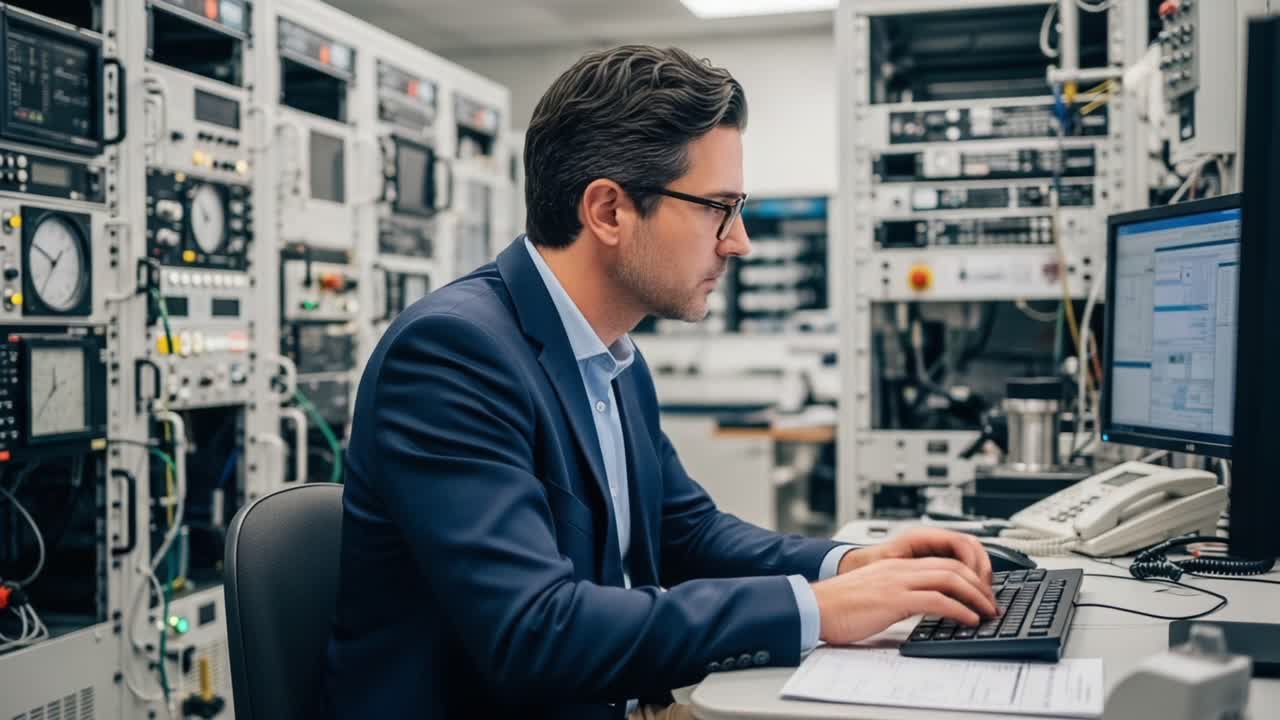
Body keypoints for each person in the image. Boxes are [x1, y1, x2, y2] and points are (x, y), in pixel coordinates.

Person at [323, 44, 997, 720]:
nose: (739, 241)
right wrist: (816, 610)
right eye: (717, 208)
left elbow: (688, 534)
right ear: (609, 211)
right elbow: (535, 631)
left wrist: (850, 566)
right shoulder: (453, 353)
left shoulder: (612, 353)